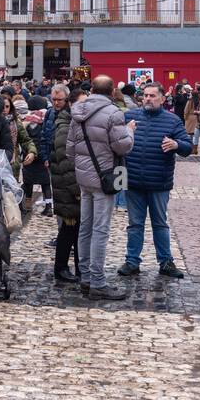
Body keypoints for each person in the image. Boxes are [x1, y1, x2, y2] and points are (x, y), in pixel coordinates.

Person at [67, 76, 134, 301]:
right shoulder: (114, 113)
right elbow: (123, 146)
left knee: (85, 227)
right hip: (106, 177)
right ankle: (97, 282)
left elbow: (70, 150)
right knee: (100, 230)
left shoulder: (77, 111)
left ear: (92, 89)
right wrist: (130, 131)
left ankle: (85, 276)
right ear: (112, 90)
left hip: (84, 177)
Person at [117, 83, 193, 279]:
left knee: (160, 224)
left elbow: (187, 147)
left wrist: (176, 144)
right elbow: (115, 143)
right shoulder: (129, 117)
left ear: (162, 98)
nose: (148, 99)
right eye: (145, 95)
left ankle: (165, 262)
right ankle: (132, 261)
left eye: (152, 96)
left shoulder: (172, 120)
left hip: (159, 182)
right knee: (135, 224)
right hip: (133, 182)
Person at [49, 85, 81, 283]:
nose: (55, 103)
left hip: (68, 185)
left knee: (74, 230)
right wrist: (76, 190)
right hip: (68, 188)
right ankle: (62, 269)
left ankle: (78, 268)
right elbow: (65, 160)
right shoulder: (65, 124)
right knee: (70, 230)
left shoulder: (70, 121)